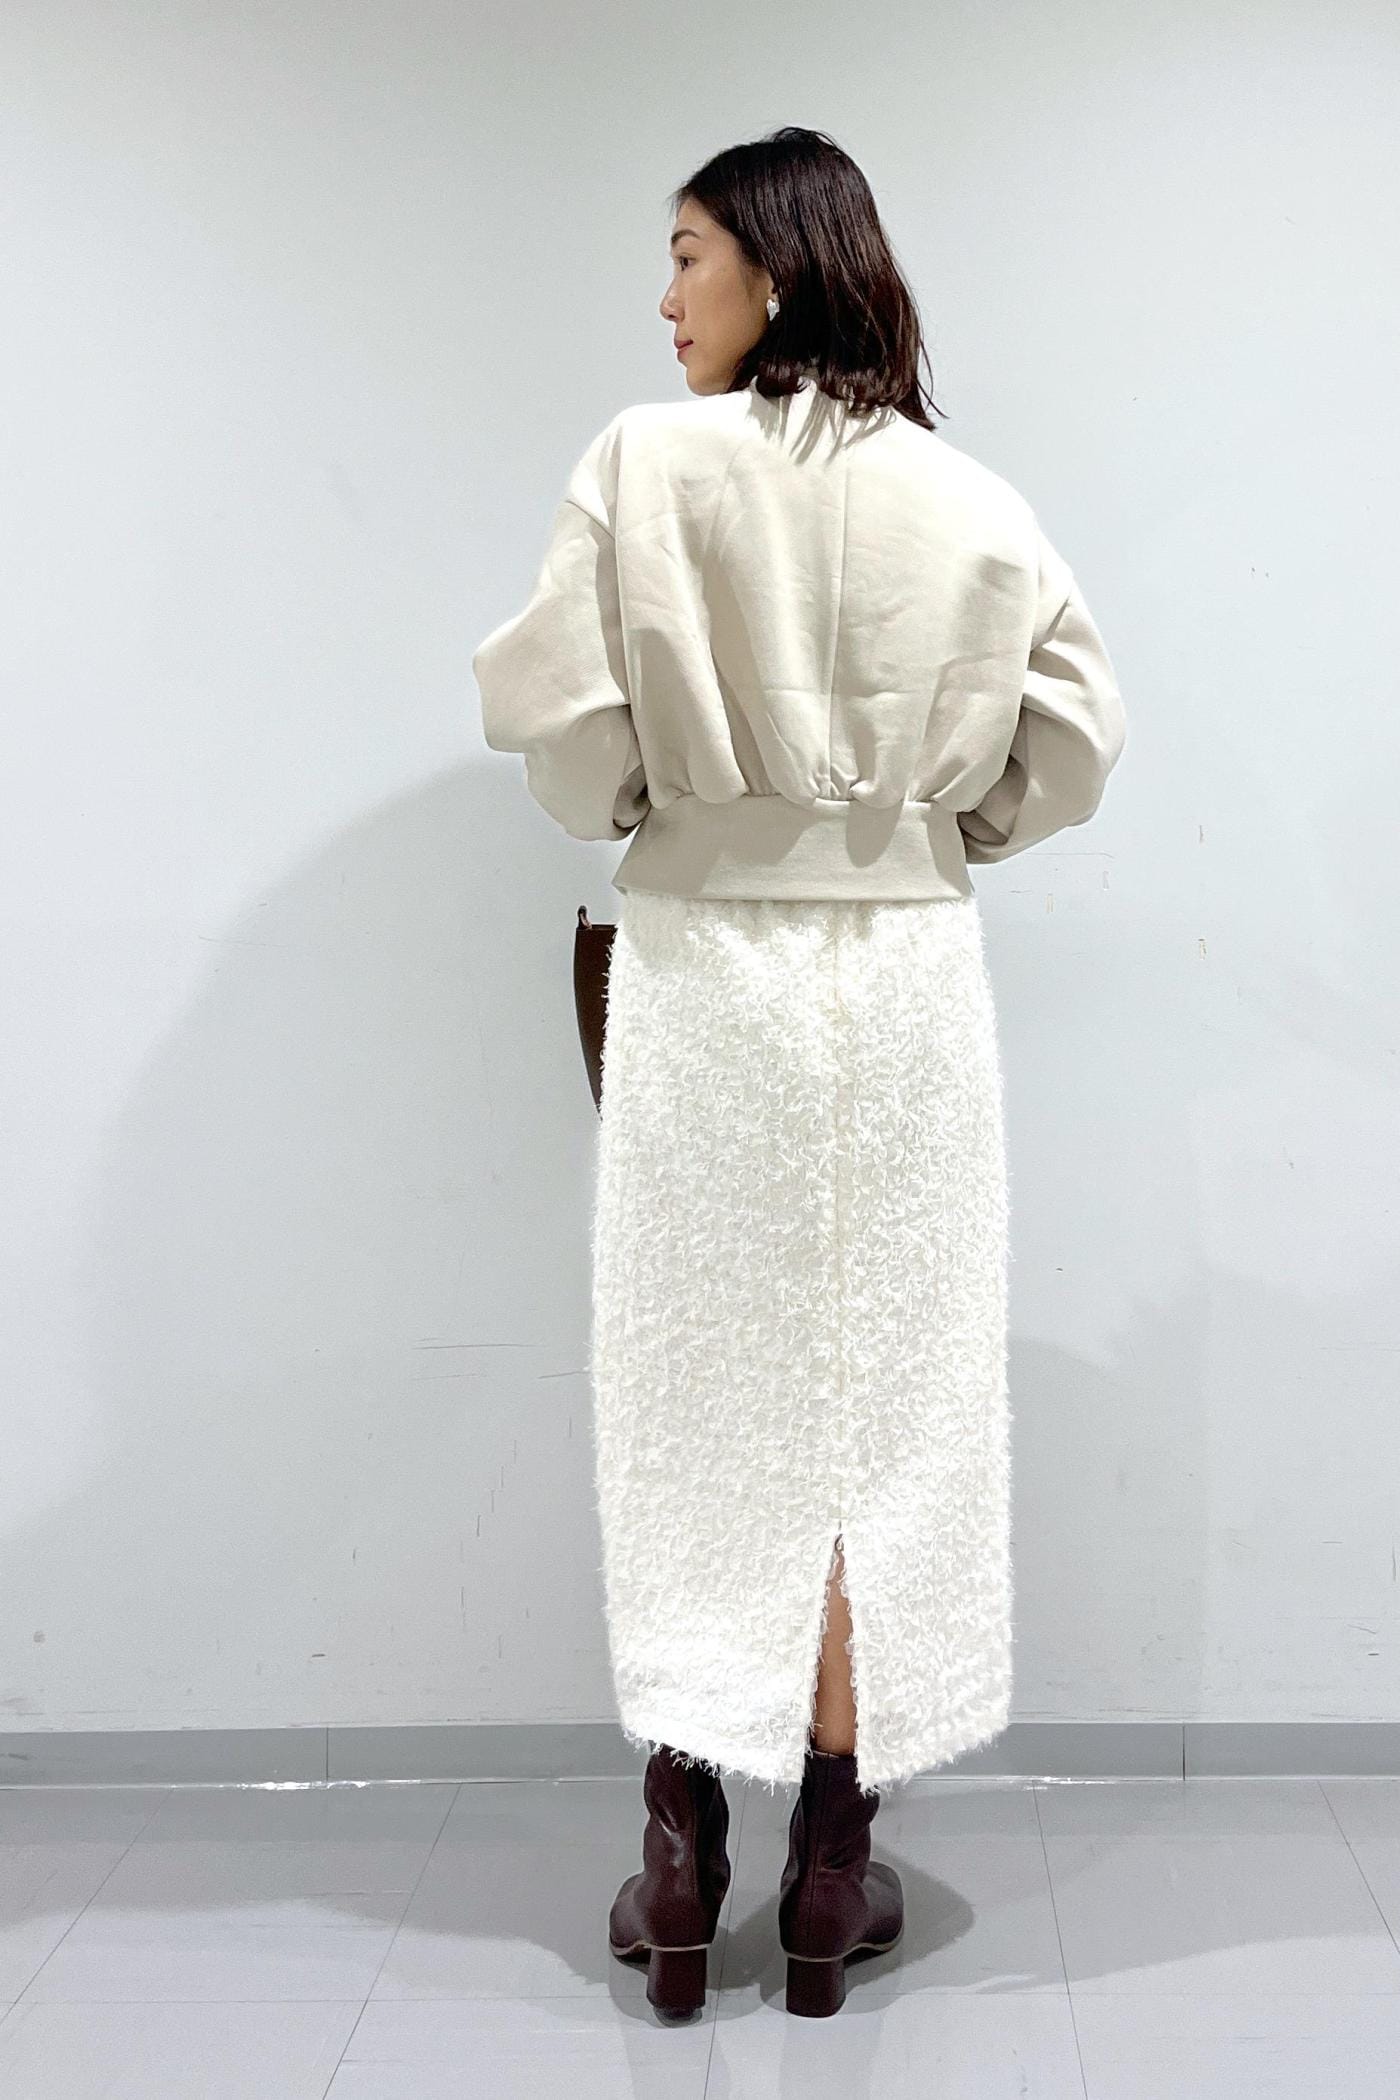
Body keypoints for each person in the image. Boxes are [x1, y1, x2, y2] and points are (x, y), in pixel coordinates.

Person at [471, 124, 1127, 2022]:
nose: (665, 294)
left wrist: (666, 806)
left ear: (770, 263)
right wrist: (929, 832)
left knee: (697, 1388)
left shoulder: (644, 462)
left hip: (707, 964)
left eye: (687, 254)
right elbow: (1078, 734)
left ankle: (684, 1854)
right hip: (907, 976)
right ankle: (835, 1869)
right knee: (889, 1405)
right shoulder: (972, 500)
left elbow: (557, 716)